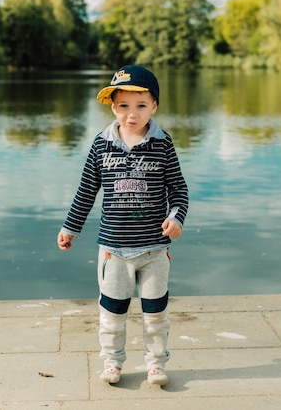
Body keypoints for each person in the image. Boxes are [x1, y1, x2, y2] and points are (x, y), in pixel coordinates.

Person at [57, 65, 188, 386]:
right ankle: (112, 362)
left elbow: (179, 189)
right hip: (113, 249)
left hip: (155, 249)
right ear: (113, 106)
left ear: (154, 106)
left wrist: (176, 218)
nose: (132, 114)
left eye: (141, 106)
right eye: (124, 106)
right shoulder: (102, 144)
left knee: (156, 314)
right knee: (112, 313)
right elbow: (87, 189)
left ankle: (156, 364)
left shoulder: (163, 144)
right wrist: (70, 227)